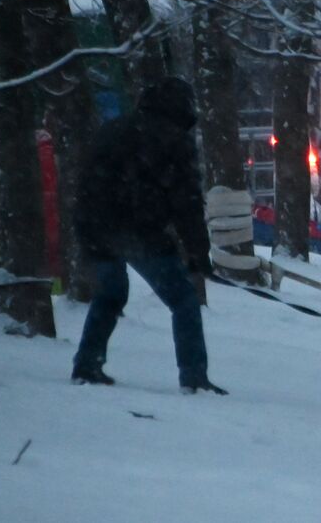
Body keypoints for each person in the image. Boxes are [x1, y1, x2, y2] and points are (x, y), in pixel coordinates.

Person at [71, 77, 225, 394]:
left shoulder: (113, 129)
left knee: (110, 294)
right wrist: (198, 254)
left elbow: (86, 181)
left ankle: (87, 364)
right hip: (140, 231)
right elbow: (187, 203)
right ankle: (194, 376)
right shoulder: (175, 141)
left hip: (94, 225)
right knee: (183, 299)